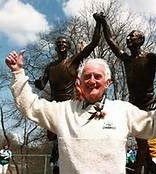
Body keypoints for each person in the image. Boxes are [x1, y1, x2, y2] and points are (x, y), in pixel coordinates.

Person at [5, 50, 156, 173]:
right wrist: (18, 74)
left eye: (97, 76)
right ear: (80, 83)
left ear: (107, 83)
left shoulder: (122, 110)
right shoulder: (63, 111)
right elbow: (30, 105)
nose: (92, 80)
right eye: (87, 76)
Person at [97, 13, 156, 174]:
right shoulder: (126, 59)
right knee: (142, 145)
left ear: (140, 40)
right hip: (133, 106)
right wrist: (103, 22)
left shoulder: (149, 57)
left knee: (144, 144)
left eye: (133, 36)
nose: (128, 38)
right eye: (128, 36)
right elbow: (110, 41)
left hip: (148, 105)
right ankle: (149, 167)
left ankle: (142, 169)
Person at [34, 13, 102, 174]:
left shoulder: (73, 61)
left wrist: (98, 23)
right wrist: (38, 83)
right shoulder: (50, 67)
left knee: (70, 137)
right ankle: (57, 165)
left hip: (71, 107)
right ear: (56, 47)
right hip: (54, 107)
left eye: (64, 43)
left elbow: (93, 43)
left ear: (68, 47)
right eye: (59, 43)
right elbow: (43, 84)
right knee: (53, 138)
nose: (61, 45)